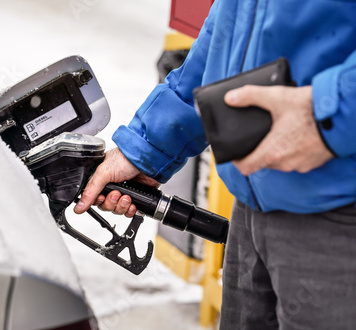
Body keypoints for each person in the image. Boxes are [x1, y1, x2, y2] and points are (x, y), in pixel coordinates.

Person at [74, 0, 356, 329]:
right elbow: (229, 24)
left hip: (340, 209)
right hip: (251, 210)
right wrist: (147, 147)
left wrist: (329, 110)